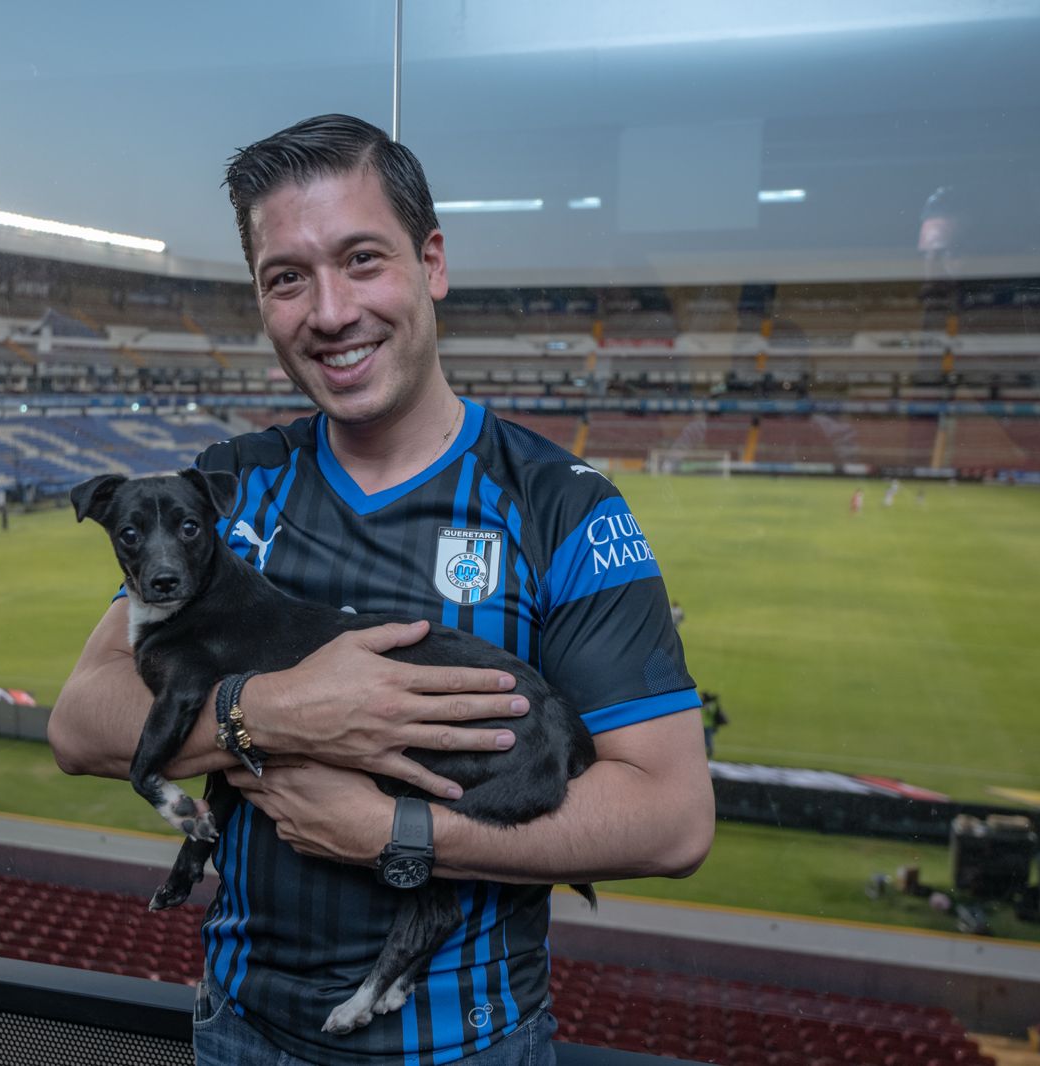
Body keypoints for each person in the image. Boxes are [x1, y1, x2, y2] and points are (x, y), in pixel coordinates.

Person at [49, 114, 713, 1066]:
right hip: (238, 1034)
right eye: (287, 278)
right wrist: (280, 713)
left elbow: (672, 818)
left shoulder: (564, 508)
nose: (329, 311)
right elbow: (81, 723)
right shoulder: (229, 488)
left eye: (362, 260)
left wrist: (397, 832)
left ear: (431, 263)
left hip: (470, 1048)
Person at [700, 690, 728, 758]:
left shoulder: (710, 704)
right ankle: (706, 751)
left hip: (708, 726)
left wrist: (706, 707)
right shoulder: (705, 704)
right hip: (704, 725)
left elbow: (711, 712)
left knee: (708, 739)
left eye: (702, 696)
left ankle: (710, 752)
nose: (701, 697)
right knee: (704, 739)